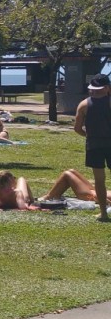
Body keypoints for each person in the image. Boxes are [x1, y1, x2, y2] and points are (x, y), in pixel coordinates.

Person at [74, 73, 111, 221]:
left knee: (99, 180)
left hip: (94, 145)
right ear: (107, 88)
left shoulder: (83, 104)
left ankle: (103, 213)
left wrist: (89, 136)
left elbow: (77, 128)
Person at [37, 169, 111, 204]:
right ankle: (53, 195)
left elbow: (99, 197)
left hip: (90, 196)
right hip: (94, 191)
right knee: (72, 171)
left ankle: (49, 196)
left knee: (67, 174)